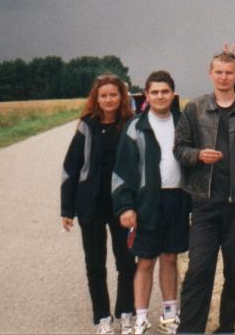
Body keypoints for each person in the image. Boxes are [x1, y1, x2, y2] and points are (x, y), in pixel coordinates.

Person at [173, 51, 235, 333]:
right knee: (198, 271)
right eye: (219, 72)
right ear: (210, 73)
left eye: (229, 72)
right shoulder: (195, 108)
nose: (224, 77)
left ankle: (226, 328)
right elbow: (179, 149)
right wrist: (198, 155)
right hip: (205, 204)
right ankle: (190, 330)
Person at [113, 71, 190, 335]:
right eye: (154, 92)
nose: (160, 96)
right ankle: (141, 318)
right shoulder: (135, 126)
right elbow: (123, 170)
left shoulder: (183, 122)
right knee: (145, 261)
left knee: (170, 258)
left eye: (165, 91)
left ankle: (169, 316)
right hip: (146, 202)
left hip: (176, 199)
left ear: (172, 94)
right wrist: (125, 206)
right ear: (146, 95)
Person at [60, 74, 137, 334]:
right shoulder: (87, 125)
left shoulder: (130, 124)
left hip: (122, 205)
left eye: (113, 95)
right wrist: (67, 209)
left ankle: (126, 313)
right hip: (90, 206)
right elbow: (71, 167)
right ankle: (102, 318)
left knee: (126, 262)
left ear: (121, 97)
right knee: (95, 265)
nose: (108, 100)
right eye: (103, 95)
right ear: (96, 98)